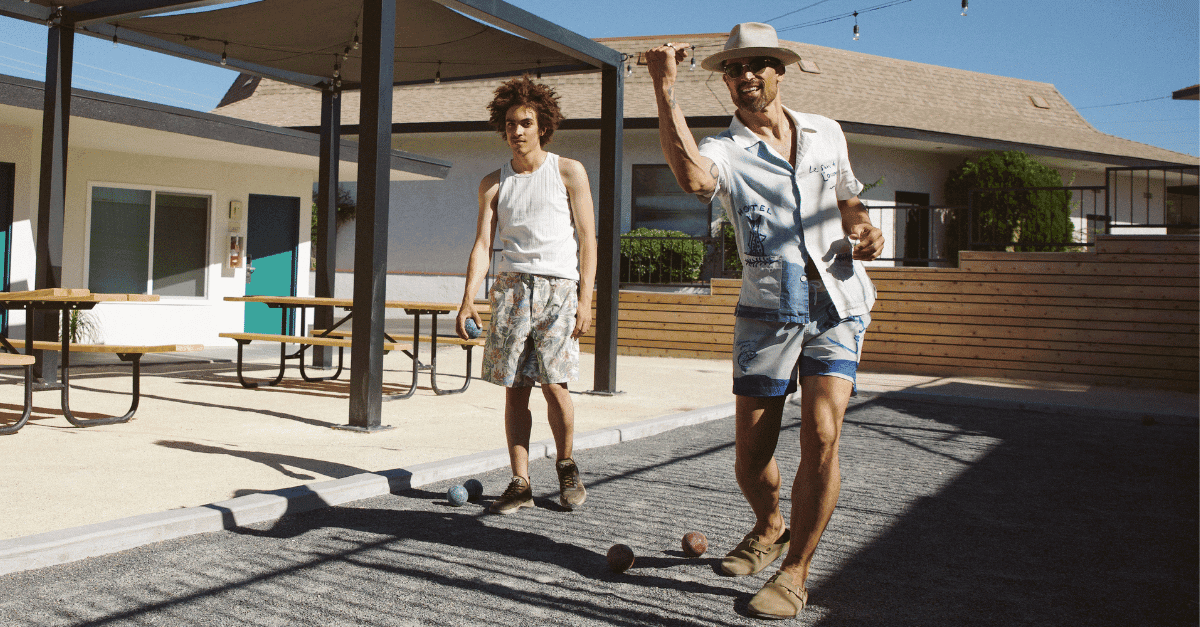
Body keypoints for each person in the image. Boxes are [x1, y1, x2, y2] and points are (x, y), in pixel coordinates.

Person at [646, 23, 885, 619]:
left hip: (837, 299)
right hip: (768, 312)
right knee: (751, 460)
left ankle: (795, 571)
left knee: (823, 436)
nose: (747, 75)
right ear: (726, 80)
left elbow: (846, 196)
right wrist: (665, 91)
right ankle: (770, 523)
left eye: (758, 64)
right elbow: (695, 178)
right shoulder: (727, 150)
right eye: (735, 68)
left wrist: (862, 225)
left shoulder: (826, 132)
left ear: (780, 70)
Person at [456, 76, 597, 516]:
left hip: (559, 290)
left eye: (526, 122)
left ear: (542, 126)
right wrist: (467, 299)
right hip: (511, 291)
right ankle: (520, 482)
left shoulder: (568, 170)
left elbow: (589, 239)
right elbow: (483, 245)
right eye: (511, 123)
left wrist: (586, 299)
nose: (517, 131)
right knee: (514, 390)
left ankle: (567, 465)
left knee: (555, 386)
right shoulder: (494, 184)